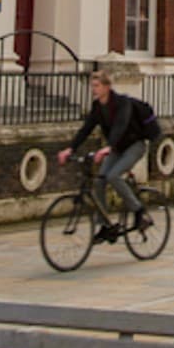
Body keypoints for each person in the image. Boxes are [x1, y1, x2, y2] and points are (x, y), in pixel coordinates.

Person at [58, 71, 162, 233]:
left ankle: (139, 210)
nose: (94, 89)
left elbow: (121, 125)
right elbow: (86, 129)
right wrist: (70, 148)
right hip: (117, 148)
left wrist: (109, 146)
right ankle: (105, 224)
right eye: (92, 86)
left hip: (134, 146)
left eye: (97, 86)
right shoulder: (97, 107)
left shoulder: (122, 104)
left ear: (107, 87)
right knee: (99, 181)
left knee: (113, 176)